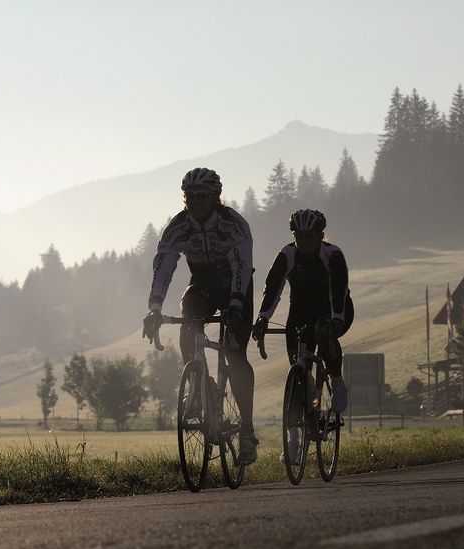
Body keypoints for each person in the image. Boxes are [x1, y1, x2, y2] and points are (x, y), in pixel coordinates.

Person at [141, 167, 259, 464]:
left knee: (235, 352)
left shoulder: (233, 224)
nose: (194, 201)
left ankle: (247, 431)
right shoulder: (179, 227)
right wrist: (154, 308)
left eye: (202, 195)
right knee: (189, 316)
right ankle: (199, 386)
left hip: (235, 285)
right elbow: (164, 267)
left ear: (215, 196)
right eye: (189, 195)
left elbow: (243, 266)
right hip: (203, 285)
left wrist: (236, 303)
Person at [251, 209, 353, 461]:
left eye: (310, 236)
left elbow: (339, 290)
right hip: (300, 312)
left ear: (320, 236)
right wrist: (262, 318)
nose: (304, 242)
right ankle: (294, 439)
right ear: (293, 236)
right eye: (299, 236)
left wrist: (336, 320)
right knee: (298, 374)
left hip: (334, 308)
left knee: (323, 333)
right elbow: (272, 289)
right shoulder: (287, 255)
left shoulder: (333, 255)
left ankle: (337, 380)